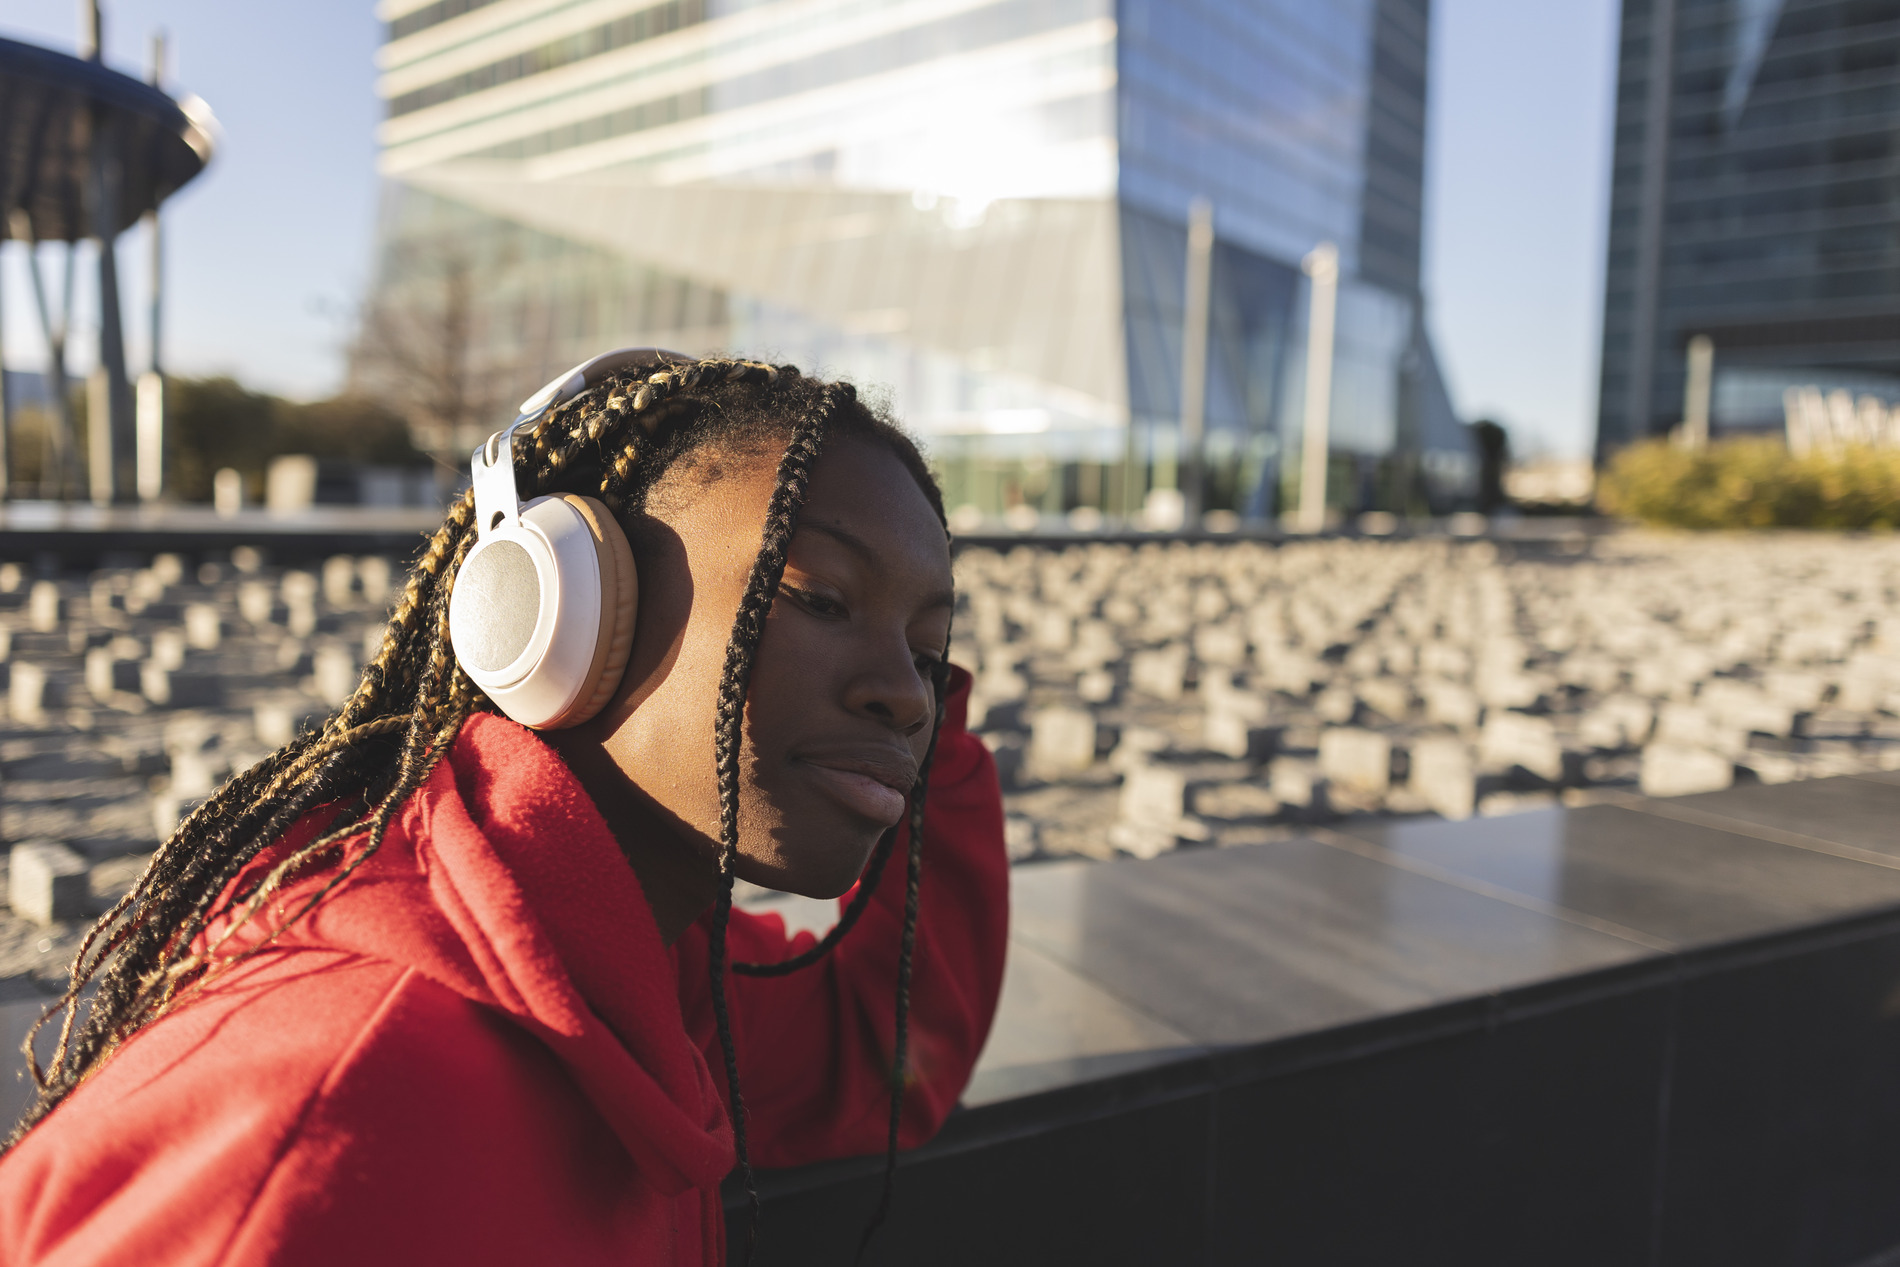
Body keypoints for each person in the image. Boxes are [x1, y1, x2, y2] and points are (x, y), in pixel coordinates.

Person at [0, 356, 1009, 1265]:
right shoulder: (320, 1126)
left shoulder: (628, 967)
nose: (910, 696)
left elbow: (879, 1057)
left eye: (926, 653)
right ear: (562, 607)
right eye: (821, 597)